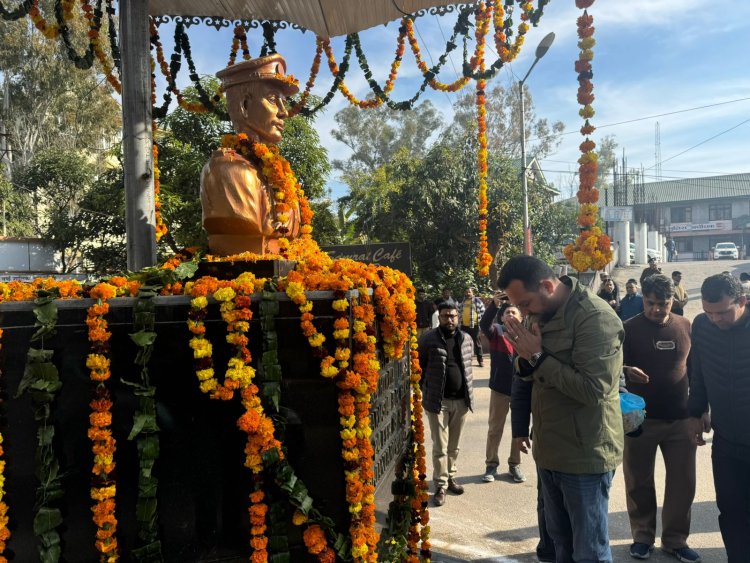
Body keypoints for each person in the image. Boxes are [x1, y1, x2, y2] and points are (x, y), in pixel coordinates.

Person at [498, 255, 624, 562]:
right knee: (559, 547)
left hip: (585, 455)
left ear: (547, 285)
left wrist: (538, 356)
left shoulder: (595, 318)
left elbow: (594, 389)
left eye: (526, 304)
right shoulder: (538, 314)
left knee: (589, 552)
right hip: (549, 449)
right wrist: (527, 358)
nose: (523, 312)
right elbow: (525, 365)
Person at [621, 274, 700, 562]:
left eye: (663, 303)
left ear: (673, 301)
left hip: (681, 419)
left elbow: (697, 372)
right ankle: (642, 536)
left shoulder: (685, 326)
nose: (657, 309)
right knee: (639, 481)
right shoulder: (628, 329)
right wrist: (628, 370)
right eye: (651, 303)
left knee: (683, 483)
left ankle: (675, 540)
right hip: (639, 420)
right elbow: (613, 367)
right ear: (643, 299)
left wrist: (700, 411)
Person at [201, 53, 301, 256]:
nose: (284, 112)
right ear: (244, 106)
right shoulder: (229, 170)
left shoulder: (280, 174)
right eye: (273, 100)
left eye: (284, 102)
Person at [688, 273, 750, 562]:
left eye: (722, 312)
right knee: (731, 511)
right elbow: (697, 369)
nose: (715, 319)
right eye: (708, 312)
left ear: (742, 301)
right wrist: (696, 409)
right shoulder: (701, 326)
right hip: (725, 442)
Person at [418, 302, 475, 507]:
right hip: (438, 402)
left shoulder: (466, 338)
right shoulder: (428, 339)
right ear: (439, 317)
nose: (449, 319)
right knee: (440, 446)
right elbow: (419, 367)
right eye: (444, 316)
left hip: (461, 401)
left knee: (454, 446)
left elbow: (468, 368)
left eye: (452, 316)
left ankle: (451, 477)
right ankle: (440, 485)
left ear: (458, 317)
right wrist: (426, 391)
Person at [478, 294, 525, 484]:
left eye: (514, 312)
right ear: (502, 317)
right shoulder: (496, 331)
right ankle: (491, 465)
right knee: (494, 429)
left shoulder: (526, 334)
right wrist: (495, 305)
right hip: (500, 389)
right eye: (507, 312)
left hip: (520, 390)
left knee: (518, 429)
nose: (511, 315)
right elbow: (484, 325)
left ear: (521, 318)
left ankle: (515, 464)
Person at [512, 374, 556, 563]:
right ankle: (548, 547)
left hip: (585, 441)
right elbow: (521, 388)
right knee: (546, 496)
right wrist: (520, 430)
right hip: (545, 434)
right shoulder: (533, 344)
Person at [459, 287, 486, 367]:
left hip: (475, 326)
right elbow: (459, 312)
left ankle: (480, 360)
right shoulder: (462, 301)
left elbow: (483, 313)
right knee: (464, 343)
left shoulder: (477, 301)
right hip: (464, 326)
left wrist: (482, 326)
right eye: (466, 292)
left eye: (469, 292)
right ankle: (465, 360)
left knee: (477, 344)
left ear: (472, 293)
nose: (468, 293)